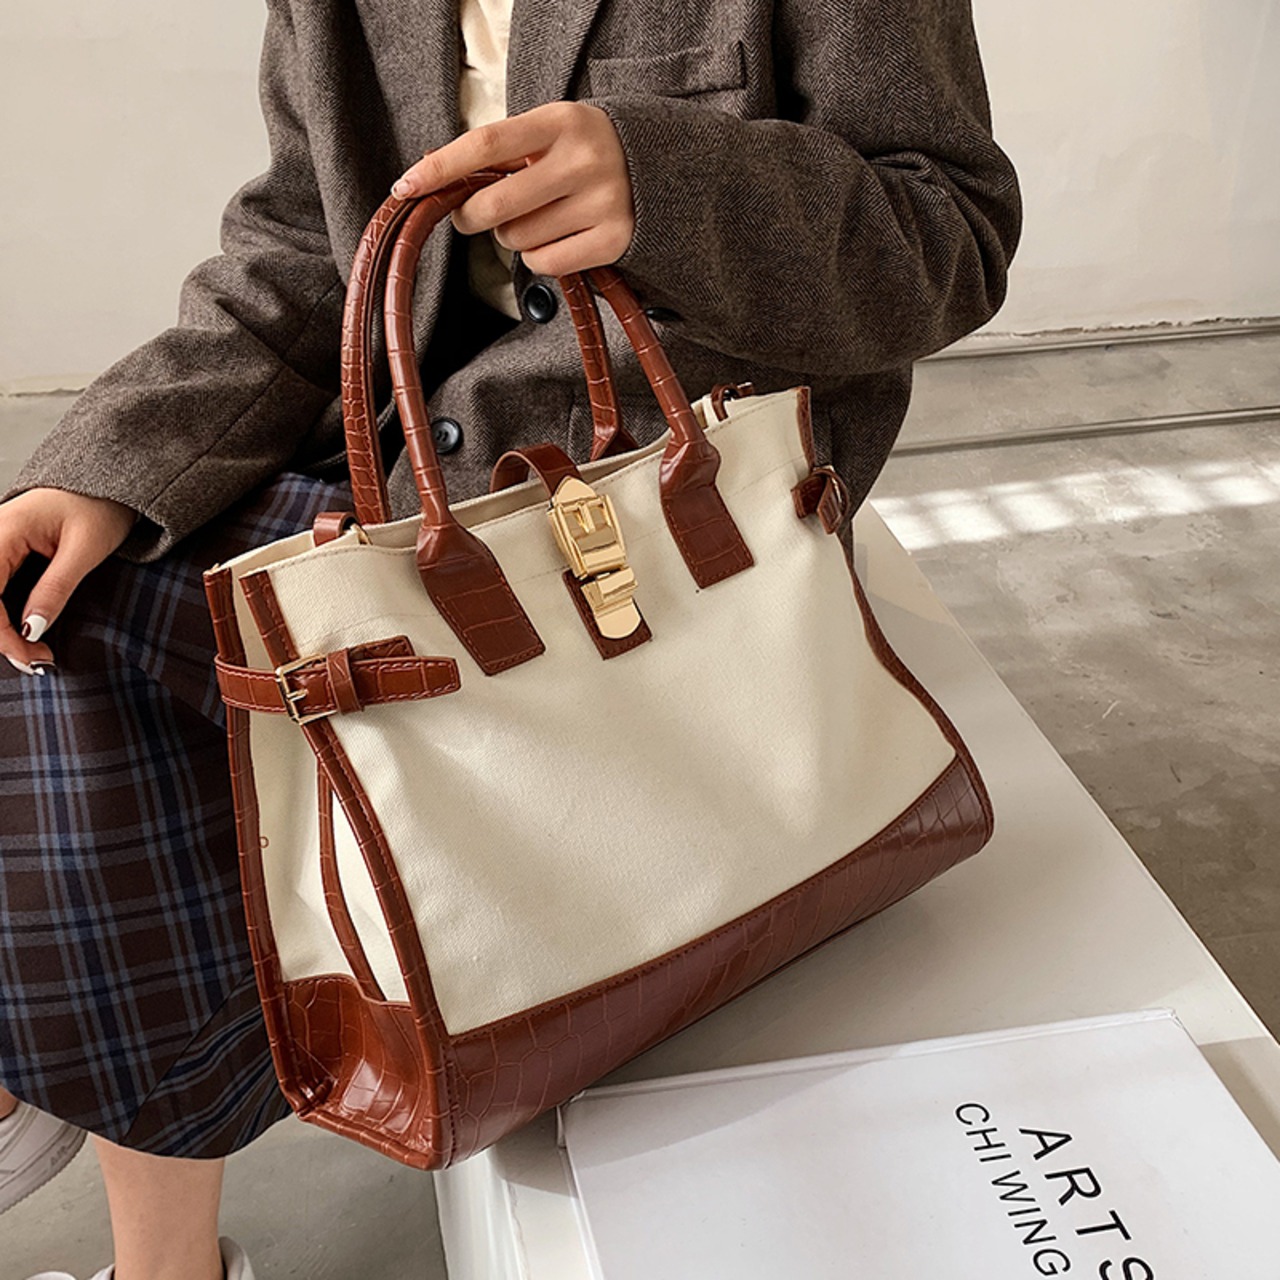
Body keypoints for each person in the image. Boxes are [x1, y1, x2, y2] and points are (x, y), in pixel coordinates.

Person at [0, 0, 1022, 1276]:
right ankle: (119, 1174)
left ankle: (52, 1081)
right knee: (58, 611)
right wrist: (105, 465)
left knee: (160, 679)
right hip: (397, 465)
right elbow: (302, 248)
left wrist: (668, 186)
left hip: (648, 505)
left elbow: (949, 233)